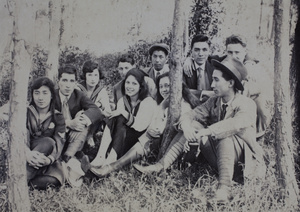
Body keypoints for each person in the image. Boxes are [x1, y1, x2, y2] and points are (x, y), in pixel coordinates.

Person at [134, 56, 266, 204]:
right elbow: (190, 115)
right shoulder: (214, 101)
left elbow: (235, 124)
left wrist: (206, 131)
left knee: (224, 136)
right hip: (220, 160)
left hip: (244, 165)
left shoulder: (246, 103)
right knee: (194, 125)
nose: (211, 83)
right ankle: (160, 166)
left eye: (216, 80)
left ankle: (224, 189)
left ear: (230, 83)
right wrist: (187, 126)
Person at [84, 72, 200, 177]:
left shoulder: (183, 105)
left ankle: (110, 166)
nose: (164, 89)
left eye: (167, 86)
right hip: (151, 139)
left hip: (176, 145)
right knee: (125, 122)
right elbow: (154, 125)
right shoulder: (161, 105)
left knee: (143, 135)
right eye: (161, 86)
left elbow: (176, 127)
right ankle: (104, 161)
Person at [184, 34, 273, 138]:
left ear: (245, 52)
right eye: (230, 52)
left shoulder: (253, 69)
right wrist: (189, 59)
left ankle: (257, 136)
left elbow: (258, 89)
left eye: (237, 52)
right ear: (225, 52)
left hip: (245, 116)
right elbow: (204, 57)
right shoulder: (223, 62)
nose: (233, 56)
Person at [84, 68, 157, 169]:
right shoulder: (122, 101)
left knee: (121, 117)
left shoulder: (147, 102)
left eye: (134, 84)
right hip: (122, 139)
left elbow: (141, 126)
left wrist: (124, 113)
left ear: (141, 86)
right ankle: (100, 157)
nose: (130, 86)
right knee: (114, 117)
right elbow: (118, 124)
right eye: (128, 82)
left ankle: (111, 159)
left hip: (137, 143)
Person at [54, 64, 103, 163]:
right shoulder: (52, 95)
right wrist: (68, 123)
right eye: (64, 80)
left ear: (75, 83)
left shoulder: (78, 95)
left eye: (72, 81)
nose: (68, 85)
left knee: (82, 116)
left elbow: (96, 110)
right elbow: (46, 116)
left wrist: (80, 121)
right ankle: (68, 157)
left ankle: (67, 157)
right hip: (56, 134)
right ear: (58, 81)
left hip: (75, 137)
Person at [26, 77, 66, 189]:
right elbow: (20, 137)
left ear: (52, 95)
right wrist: (27, 153)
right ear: (32, 95)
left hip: (45, 159)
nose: (40, 98)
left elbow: (59, 141)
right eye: (37, 93)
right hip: (26, 153)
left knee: (54, 180)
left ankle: (26, 181)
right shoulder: (26, 112)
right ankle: (23, 178)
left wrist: (49, 160)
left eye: (45, 93)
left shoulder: (57, 116)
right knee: (47, 142)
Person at [76, 60, 111, 146]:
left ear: (99, 76)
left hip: (94, 122)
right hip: (80, 118)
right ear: (85, 76)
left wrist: (98, 109)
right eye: (90, 75)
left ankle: (91, 135)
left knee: (98, 112)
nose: (93, 79)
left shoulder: (101, 91)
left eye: (96, 75)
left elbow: (108, 111)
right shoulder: (78, 88)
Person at [182, 34, 215, 101]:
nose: (200, 54)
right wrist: (204, 93)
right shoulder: (185, 68)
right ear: (191, 51)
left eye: (204, 50)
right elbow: (183, 91)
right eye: (197, 50)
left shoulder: (215, 66)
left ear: (209, 51)